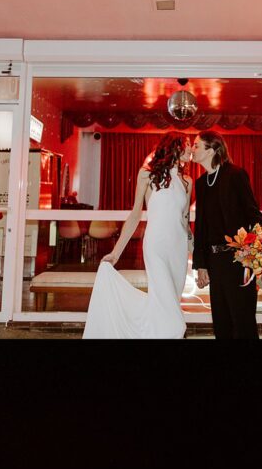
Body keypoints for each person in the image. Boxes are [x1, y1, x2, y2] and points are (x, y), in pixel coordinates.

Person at [82, 132, 193, 339]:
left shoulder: (187, 181)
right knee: (173, 315)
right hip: (156, 246)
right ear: (175, 147)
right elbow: (134, 216)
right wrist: (116, 253)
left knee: (170, 302)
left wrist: (197, 257)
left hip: (177, 249)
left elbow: (184, 221)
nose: (191, 149)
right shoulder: (147, 174)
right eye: (187, 145)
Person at [192, 131, 262, 340]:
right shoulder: (201, 183)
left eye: (196, 145)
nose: (192, 150)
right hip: (215, 261)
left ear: (212, 150)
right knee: (221, 323)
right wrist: (201, 265)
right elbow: (202, 228)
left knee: (242, 322)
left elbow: (255, 216)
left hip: (238, 259)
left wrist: (248, 253)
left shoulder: (235, 175)